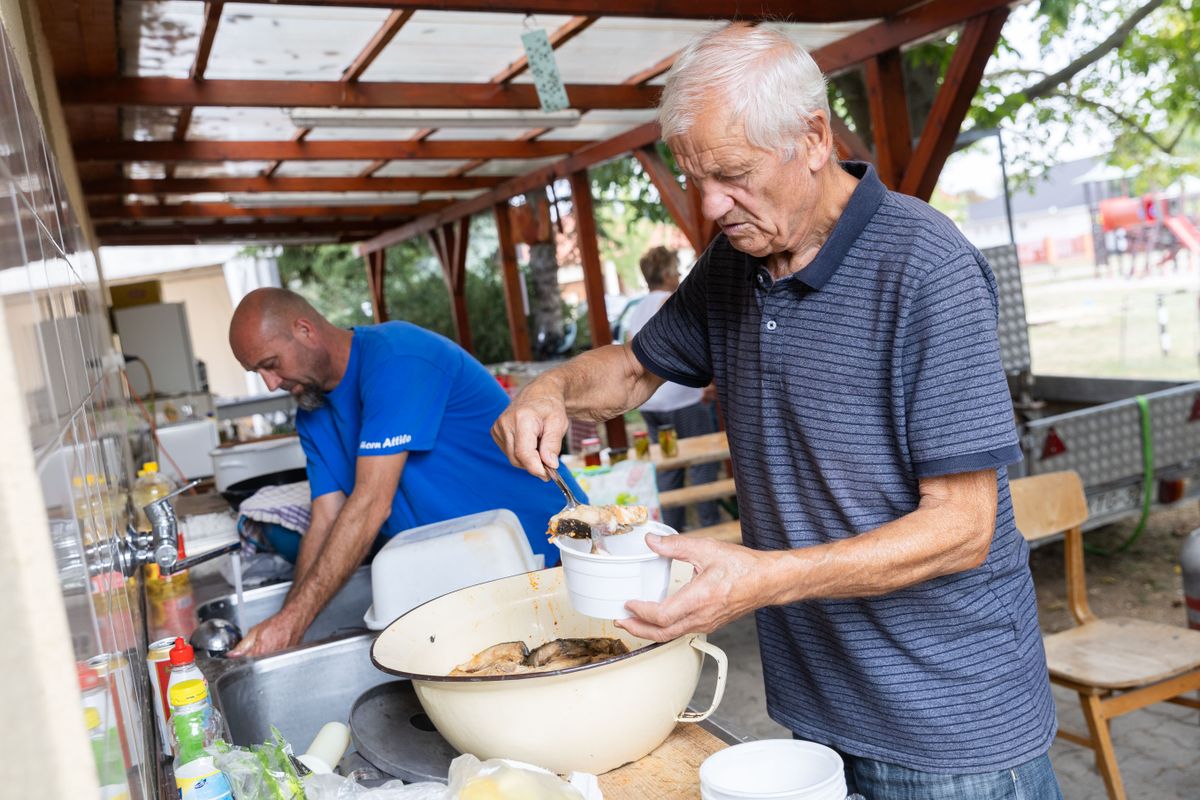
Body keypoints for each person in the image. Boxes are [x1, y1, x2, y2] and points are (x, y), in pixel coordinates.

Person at [491, 23, 1061, 800]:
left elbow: (962, 529)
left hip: (949, 727)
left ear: (814, 137)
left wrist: (759, 581)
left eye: (731, 174)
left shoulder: (926, 269)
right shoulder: (737, 261)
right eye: (695, 178)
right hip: (819, 704)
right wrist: (548, 389)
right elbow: (629, 371)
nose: (710, 206)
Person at [227, 288, 583, 657]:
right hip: (469, 581)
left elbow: (370, 504)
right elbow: (324, 520)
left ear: (304, 329)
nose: (270, 383)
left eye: (271, 363)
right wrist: (289, 618)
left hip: (548, 560)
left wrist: (293, 622)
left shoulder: (397, 359)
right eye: (258, 372)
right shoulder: (312, 414)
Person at [624, 246, 721, 531]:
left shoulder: (637, 309)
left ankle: (669, 531)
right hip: (681, 399)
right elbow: (691, 345)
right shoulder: (670, 301)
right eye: (677, 270)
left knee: (668, 468)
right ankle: (711, 528)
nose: (679, 276)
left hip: (651, 404)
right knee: (703, 463)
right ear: (666, 275)